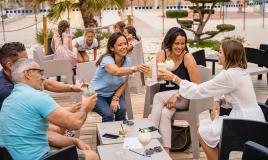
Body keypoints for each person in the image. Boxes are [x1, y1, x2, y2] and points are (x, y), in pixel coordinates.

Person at [158, 40, 265, 160]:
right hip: (255, 119)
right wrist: (219, 100)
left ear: (228, 55)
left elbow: (198, 90)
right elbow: (236, 94)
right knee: (206, 127)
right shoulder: (241, 71)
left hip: (243, 123)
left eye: (220, 52)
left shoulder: (228, 75)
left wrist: (174, 78)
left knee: (202, 131)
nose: (217, 54)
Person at [0, 58, 99, 160]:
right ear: (28, 74)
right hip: (38, 157)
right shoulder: (36, 97)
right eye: (40, 72)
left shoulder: (8, 101)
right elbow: (76, 123)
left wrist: (75, 141)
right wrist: (86, 107)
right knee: (92, 156)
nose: (43, 78)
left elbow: (52, 135)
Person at [151, 27, 200, 153]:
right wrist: (162, 61)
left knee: (157, 97)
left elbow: (196, 85)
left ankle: (151, 134)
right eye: (176, 43)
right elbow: (159, 78)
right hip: (167, 99)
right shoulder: (162, 54)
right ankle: (166, 151)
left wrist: (178, 94)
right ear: (170, 42)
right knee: (165, 114)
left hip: (184, 98)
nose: (180, 47)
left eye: (182, 43)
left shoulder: (187, 57)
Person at [0, 42, 83, 110]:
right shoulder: (6, 90)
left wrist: (72, 87)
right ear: (10, 66)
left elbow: (45, 83)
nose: (28, 63)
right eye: (23, 61)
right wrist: (72, 109)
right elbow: (38, 110)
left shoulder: (21, 73)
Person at [91, 32, 149, 122]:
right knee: (108, 114)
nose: (124, 47)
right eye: (120, 45)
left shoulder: (127, 61)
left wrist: (116, 97)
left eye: (125, 44)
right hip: (96, 95)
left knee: (121, 110)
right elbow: (116, 71)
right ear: (112, 48)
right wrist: (135, 68)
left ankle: (121, 134)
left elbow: (124, 81)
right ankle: (106, 135)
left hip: (112, 94)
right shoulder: (107, 60)